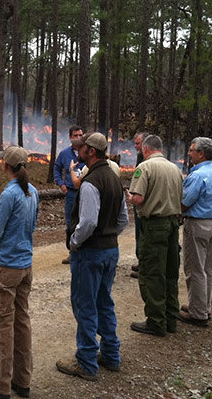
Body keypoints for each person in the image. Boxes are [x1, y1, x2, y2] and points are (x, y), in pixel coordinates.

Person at [56, 133, 128, 382]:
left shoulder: (90, 182)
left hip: (90, 253)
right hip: (110, 250)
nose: (79, 150)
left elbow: (87, 222)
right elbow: (123, 220)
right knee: (104, 302)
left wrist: (74, 243)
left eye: (83, 147)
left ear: (92, 152)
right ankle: (111, 354)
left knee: (86, 305)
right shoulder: (115, 179)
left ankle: (86, 362)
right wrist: (109, 237)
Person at [0, 146, 38, 399]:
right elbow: (32, 225)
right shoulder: (33, 192)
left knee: (3, 324)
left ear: (6, 166)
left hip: (6, 267)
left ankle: (0, 385)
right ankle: (22, 381)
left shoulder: (10, 194)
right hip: (25, 265)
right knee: (22, 321)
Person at [126, 135, 183, 337]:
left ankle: (156, 321)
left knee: (151, 273)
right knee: (170, 272)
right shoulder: (175, 169)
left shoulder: (145, 167)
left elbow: (139, 198)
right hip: (172, 224)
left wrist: (130, 197)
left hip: (154, 225)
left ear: (146, 149)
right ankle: (171, 319)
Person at [178, 137, 212, 327]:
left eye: (191, 150)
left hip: (199, 225)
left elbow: (184, 202)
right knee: (208, 268)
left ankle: (198, 313)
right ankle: (203, 306)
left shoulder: (198, 176)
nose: (189, 153)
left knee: (195, 269)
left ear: (201, 154)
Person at [54, 126, 85, 264]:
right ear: (70, 137)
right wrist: (61, 184)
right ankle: (72, 252)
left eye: (80, 135)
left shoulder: (88, 152)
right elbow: (56, 168)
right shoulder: (65, 153)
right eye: (75, 135)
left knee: (86, 222)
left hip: (86, 192)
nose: (78, 138)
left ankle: (85, 252)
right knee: (71, 223)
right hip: (72, 194)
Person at [130, 132, 149, 278]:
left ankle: (146, 266)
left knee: (145, 235)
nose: (135, 146)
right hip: (138, 204)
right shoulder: (140, 158)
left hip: (145, 205)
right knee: (138, 233)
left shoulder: (148, 162)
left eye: (138, 143)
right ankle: (141, 260)